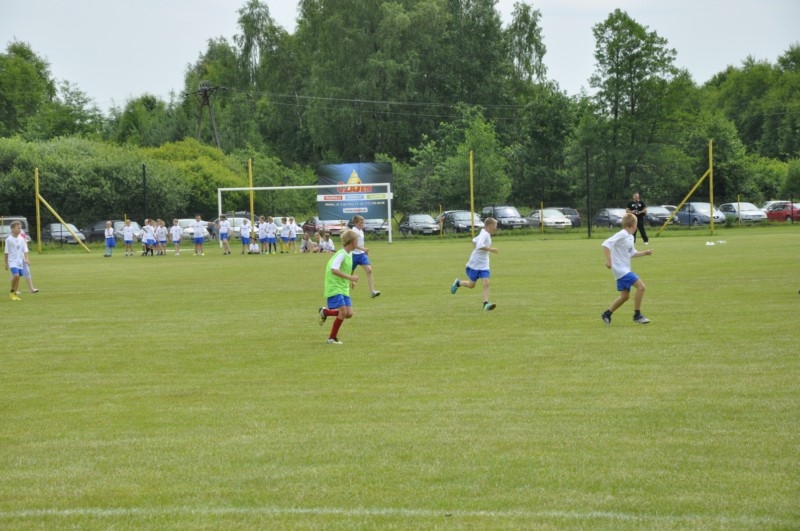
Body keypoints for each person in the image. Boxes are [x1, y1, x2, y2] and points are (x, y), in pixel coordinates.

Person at [600, 212, 654, 325]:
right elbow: (606, 244)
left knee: (625, 296)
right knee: (641, 287)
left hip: (624, 270)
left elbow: (632, 253)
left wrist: (645, 253)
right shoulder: (622, 234)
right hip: (621, 270)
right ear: (633, 225)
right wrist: (609, 260)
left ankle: (607, 314)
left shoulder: (630, 237)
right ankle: (637, 315)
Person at [318, 230, 359, 345]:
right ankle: (332, 338)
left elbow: (346, 268)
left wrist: (351, 280)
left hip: (343, 287)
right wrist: (350, 277)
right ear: (352, 242)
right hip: (334, 286)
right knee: (343, 312)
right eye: (357, 240)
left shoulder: (349, 254)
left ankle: (325, 312)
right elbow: (334, 270)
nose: (358, 242)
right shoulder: (341, 254)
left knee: (349, 313)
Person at [450, 217, 498, 311]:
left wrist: (476, 248)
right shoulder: (485, 234)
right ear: (490, 226)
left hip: (484, 264)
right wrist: (491, 249)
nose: (496, 228)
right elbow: (479, 245)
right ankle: (458, 283)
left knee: (486, 283)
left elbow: (474, 240)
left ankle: (485, 304)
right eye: (495, 226)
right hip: (475, 264)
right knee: (471, 285)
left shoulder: (484, 233)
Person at [350, 215, 380, 298]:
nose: (362, 224)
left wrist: (364, 251)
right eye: (361, 223)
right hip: (353, 255)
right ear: (355, 223)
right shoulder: (353, 232)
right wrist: (364, 249)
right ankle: (345, 288)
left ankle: (372, 292)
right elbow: (353, 245)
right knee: (349, 273)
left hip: (361, 255)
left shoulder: (361, 231)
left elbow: (361, 243)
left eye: (363, 223)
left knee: (369, 270)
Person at [5, 220, 28, 301]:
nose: (19, 230)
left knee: (18, 278)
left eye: (20, 228)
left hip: (19, 262)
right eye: (18, 228)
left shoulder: (21, 239)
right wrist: (6, 263)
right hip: (12, 261)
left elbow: (24, 250)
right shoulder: (9, 239)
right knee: (16, 275)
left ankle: (14, 294)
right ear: (12, 229)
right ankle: (12, 291)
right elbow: (6, 252)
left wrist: (26, 259)